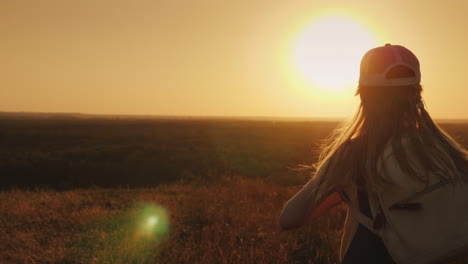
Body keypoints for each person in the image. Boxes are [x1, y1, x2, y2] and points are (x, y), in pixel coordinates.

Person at [279, 44, 468, 263]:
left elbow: (289, 218)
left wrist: (344, 190)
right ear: (417, 92)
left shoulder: (354, 154)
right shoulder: (448, 152)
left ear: (364, 96)